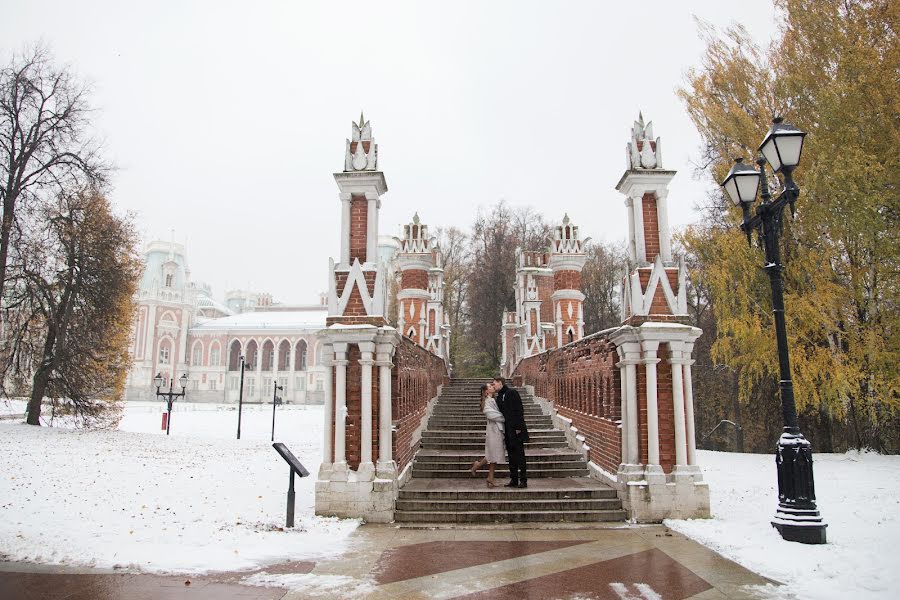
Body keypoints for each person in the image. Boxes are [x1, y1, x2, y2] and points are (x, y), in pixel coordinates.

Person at [492, 376, 528, 488]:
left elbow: (519, 409)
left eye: (494, 384)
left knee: (519, 455)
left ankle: (523, 480)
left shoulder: (512, 392)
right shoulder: (499, 397)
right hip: (507, 430)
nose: (493, 386)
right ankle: (514, 479)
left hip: (516, 429)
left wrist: (518, 427)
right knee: (511, 456)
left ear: (500, 383)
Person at [469, 384, 505, 487]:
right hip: (493, 431)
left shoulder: (494, 400)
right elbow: (492, 415)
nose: (493, 387)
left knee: (494, 453)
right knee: (493, 453)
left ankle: (482, 469)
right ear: (486, 392)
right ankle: (488, 475)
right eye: (490, 386)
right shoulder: (487, 403)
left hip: (498, 430)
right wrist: (505, 417)